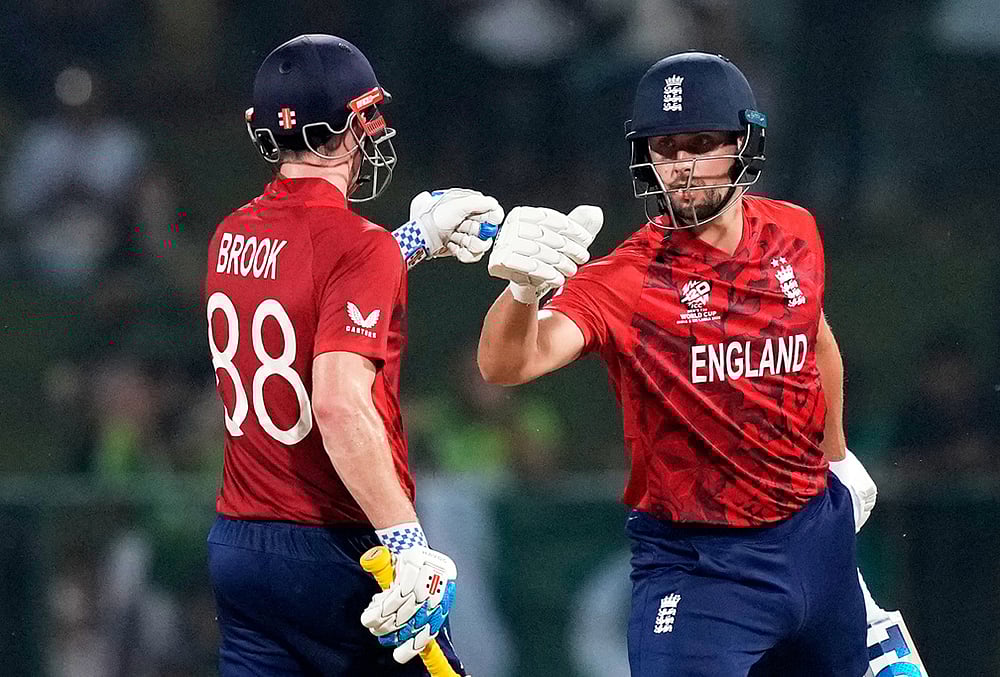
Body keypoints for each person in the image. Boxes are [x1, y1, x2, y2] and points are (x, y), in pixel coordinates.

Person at [478, 51, 874, 675]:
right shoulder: (628, 278)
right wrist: (522, 292)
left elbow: (817, 339)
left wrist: (838, 457)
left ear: (745, 145)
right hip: (701, 566)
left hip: (814, 539)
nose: (684, 167)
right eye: (666, 149)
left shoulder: (796, 230)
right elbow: (508, 366)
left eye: (702, 144)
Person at [204, 34, 502, 675]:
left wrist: (411, 243)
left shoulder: (230, 233)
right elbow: (339, 405)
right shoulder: (359, 246)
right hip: (339, 548)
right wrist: (407, 542)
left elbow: (307, 283)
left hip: (241, 546)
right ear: (349, 125)